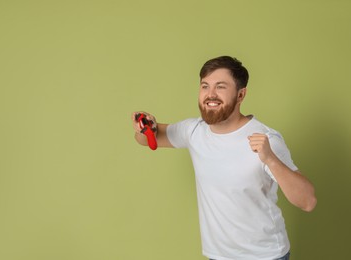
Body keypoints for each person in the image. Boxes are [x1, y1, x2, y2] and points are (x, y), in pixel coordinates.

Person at [131, 56, 317, 260]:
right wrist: (145, 127)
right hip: (218, 256)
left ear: (240, 95)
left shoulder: (266, 140)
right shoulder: (194, 131)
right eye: (205, 86)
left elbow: (307, 201)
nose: (210, 94)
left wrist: (270, 159)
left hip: (265, 256)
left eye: (220, 87)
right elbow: (148, 139)